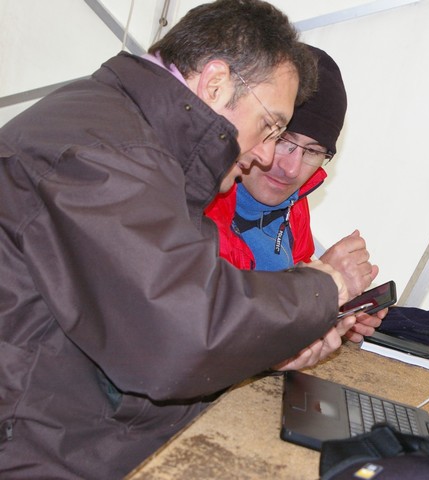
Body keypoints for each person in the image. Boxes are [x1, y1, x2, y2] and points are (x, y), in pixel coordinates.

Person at [0, 1, 366, 478]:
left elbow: (151, 328)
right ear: (215, 83)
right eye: (272, 128)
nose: (266, 155)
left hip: (77, 425)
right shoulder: (107, 156)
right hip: (41, 450)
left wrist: (267, 351)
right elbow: (182, 335)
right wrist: (322, 288)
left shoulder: (137, 140)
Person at [206, 45, 384, 343]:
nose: (291, 169)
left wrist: (336, 309)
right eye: (283, 140)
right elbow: (208, 321)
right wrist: (316, 288)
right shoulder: (199, 198)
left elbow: (291, 274)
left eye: (312, 151)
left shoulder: (292, 203)